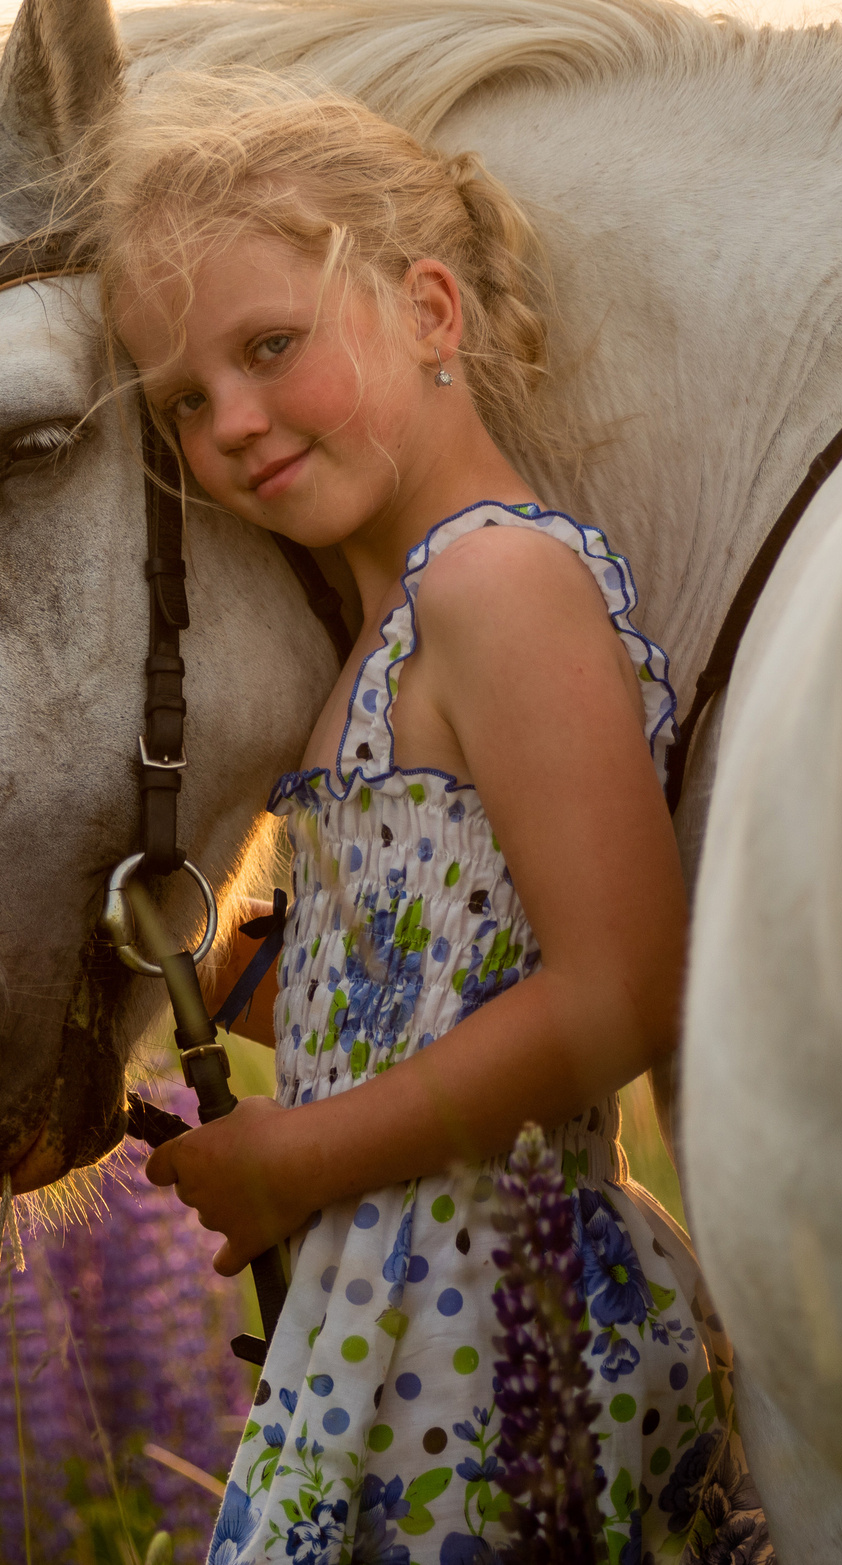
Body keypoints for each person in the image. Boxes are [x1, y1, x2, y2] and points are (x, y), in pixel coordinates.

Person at [104, 87, 756, 1565]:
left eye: (269, 347)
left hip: (495, 1308)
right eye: (183, 402)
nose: (234, 423)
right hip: (390, 1314)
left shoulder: (498, 584)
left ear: (430, 307)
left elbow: (615, 990)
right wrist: (182, 978)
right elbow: (384, 984)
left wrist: (302, 1157)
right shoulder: (378, 638)